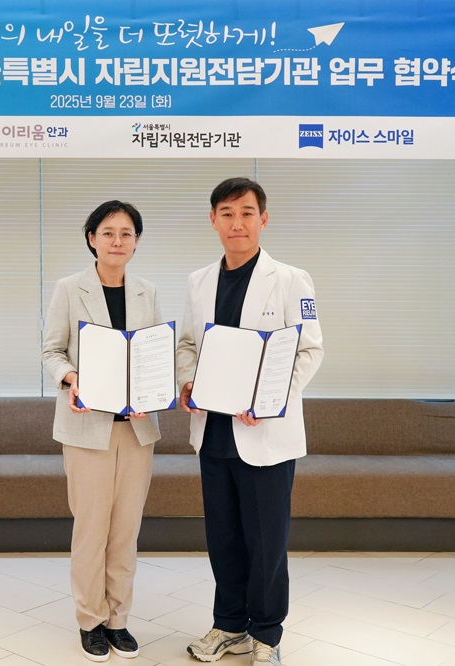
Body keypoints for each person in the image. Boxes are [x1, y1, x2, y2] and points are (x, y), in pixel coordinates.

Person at [176, 177, 324, 666]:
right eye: (226, 213)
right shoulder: (199, 281)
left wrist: (269, 399)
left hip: (265, 432)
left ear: (263, 219)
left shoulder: (291, 280)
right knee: (223, 539)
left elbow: (309, 349)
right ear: (213, 220)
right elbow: (187, 345)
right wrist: (187, 381)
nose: (236, 223)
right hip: (214, 431)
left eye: (245, 213)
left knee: (266, 541)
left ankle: (266, 633)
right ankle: (229, 625)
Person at [42, 200, 161, 662]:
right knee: (92, 529)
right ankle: (90, 620)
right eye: (108, 232)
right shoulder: (69, 289)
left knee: (125, 530)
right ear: (92, 238)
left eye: (127, 233)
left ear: (136, 242)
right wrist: (71, 378)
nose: (117, 241)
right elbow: (52, 351)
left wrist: (152, 391)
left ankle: (118, 620)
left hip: (136, 429)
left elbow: (153, 354)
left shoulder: (147, 291)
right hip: (87, 427)